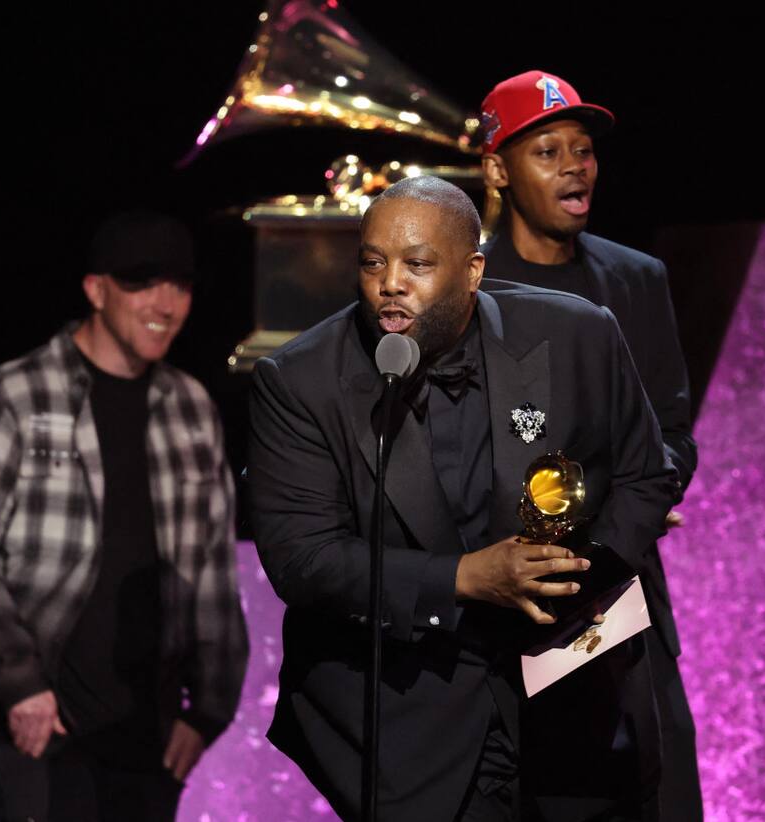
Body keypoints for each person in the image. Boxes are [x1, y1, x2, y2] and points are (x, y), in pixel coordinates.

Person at [246, 175, 677, 821]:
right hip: (409, 718)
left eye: (417, 264)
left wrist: (574, 580)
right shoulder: (302, 379)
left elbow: (647, 475)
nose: (390, 282)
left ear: (473, 270)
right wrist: (465, 578)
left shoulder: (578, 333)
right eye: (373, 262)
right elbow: (303, 558)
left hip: (571, 699)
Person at [478, 70, 702, 820]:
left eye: (583, 150)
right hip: (504, 599)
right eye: (549, 151)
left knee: (645, 789)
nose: (576, 165)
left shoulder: (637, 279)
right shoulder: (466, 288)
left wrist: (643, 495)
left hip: (621, 586)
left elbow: (672, 430)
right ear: (499, 170)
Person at [0, 211, 249, 821]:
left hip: (148, 733)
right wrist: (18, 683)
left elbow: (212, 569)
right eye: (141, 282)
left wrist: (208, 710)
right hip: (39, 724)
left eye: (179, 284)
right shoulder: (18, 394)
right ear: (95, 290)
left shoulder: (191, 408)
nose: (165, 303)